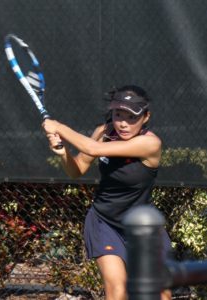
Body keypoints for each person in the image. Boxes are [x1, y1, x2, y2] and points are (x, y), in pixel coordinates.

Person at [42, 85, 172, 300]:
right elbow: (78, 170)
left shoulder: (150, 143)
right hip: (105, 222)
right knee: (117, 290)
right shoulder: (104, 132)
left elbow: (92, 150)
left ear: (146, 117)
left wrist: (59, 127)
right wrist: (63, 152)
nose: (123, 123)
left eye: (132, 117)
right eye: (118, 114)